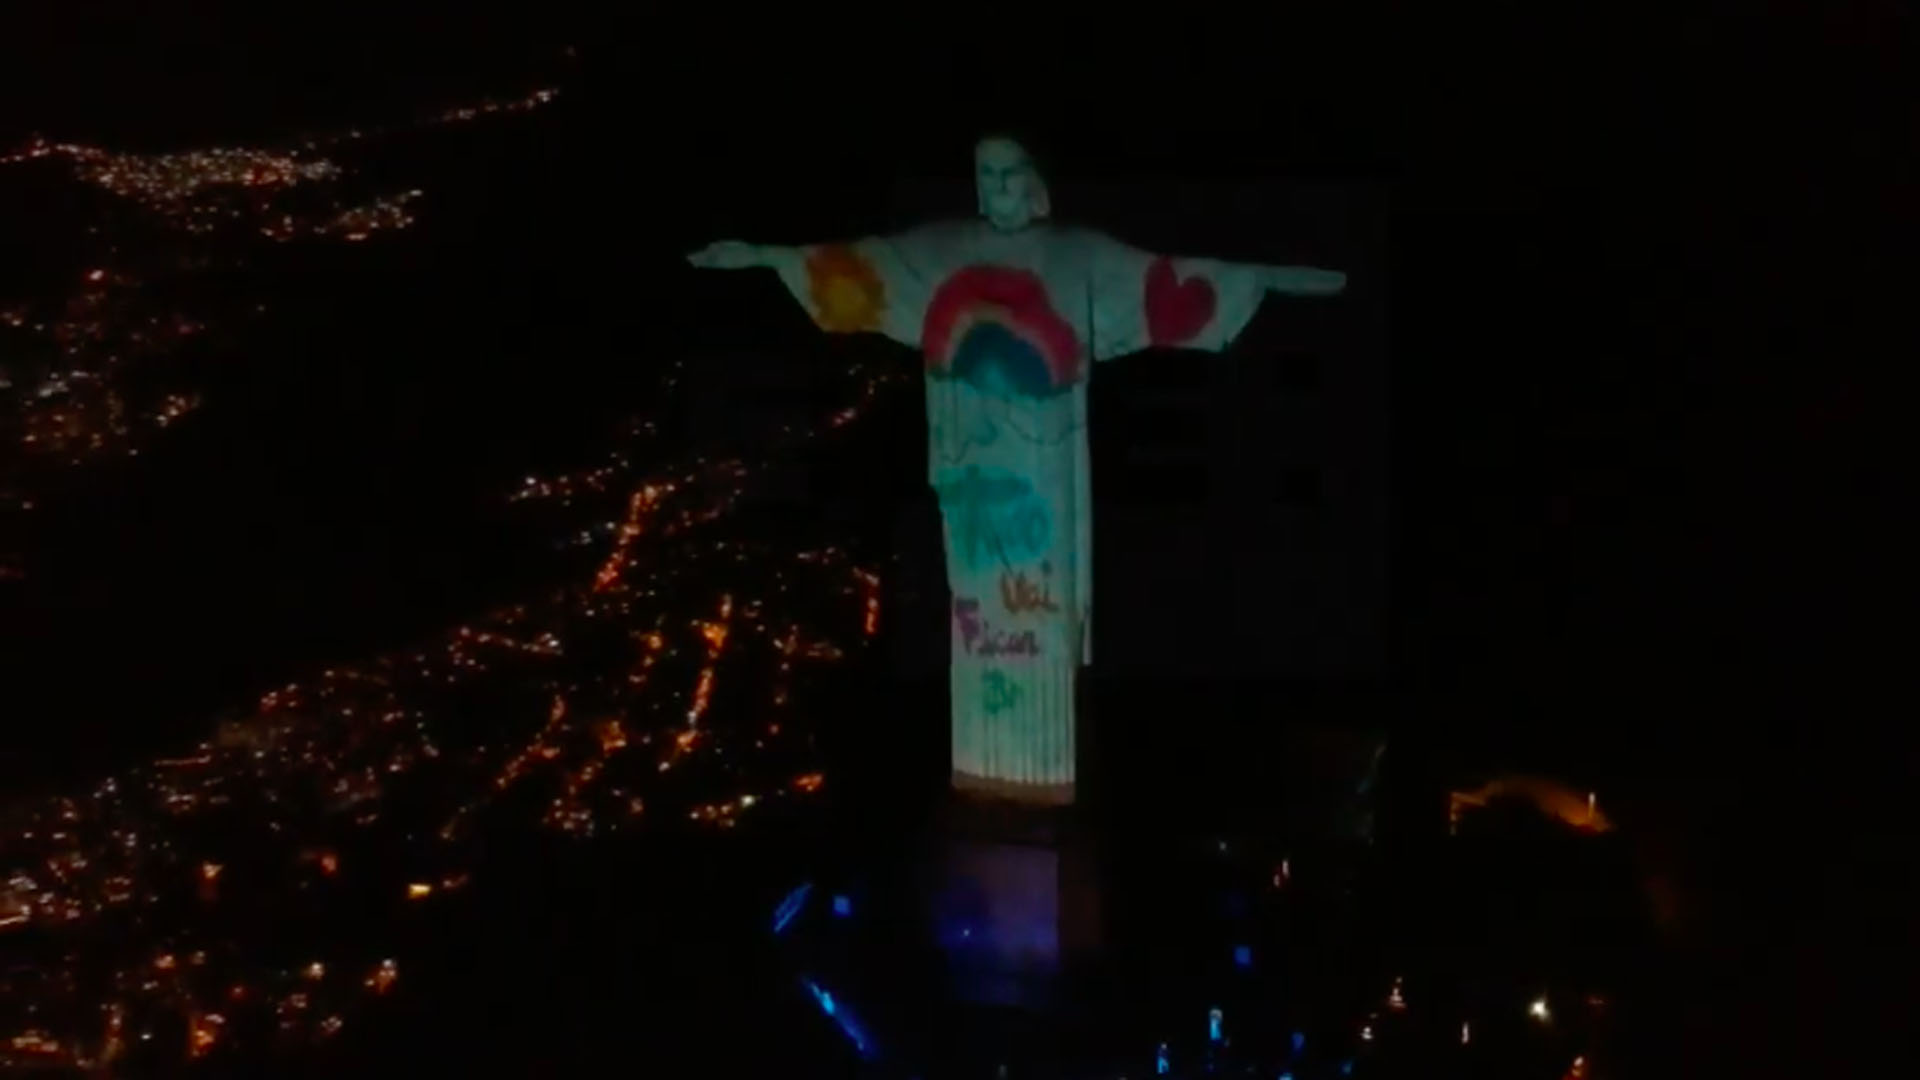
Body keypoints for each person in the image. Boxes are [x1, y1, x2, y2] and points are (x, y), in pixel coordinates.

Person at [688, 136, 1345, 805]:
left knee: (1039, 596)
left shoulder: (1075, 251)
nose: (997, 188)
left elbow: (1162, 282)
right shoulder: (943, 248)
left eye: (1010, 174)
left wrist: (1264, 278)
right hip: (971, 456)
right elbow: (864, 265)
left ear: (1036, 182)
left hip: (1045, 461)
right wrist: (764, 259)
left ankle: (1045, 762)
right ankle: (985, 761)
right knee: (977, 597)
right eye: (985, 175)